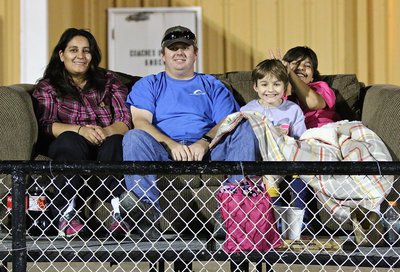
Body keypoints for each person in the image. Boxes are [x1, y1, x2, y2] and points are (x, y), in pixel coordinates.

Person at [121, 25, 260, 240]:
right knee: (133, 137)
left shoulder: (212, 84)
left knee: (244, 127)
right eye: (173, 48)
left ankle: (236, 212)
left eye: (185, 48)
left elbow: (227, 120)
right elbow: (140, 121)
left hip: (209, 148)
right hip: (164, 149)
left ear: (195, 53)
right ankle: (145, 213)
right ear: (163, 55)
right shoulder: (148, 84)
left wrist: (204, 142)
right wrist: (171, 145)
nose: (179, 52)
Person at [32, 28, 133, 239]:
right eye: (73, 50)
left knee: (117, 141)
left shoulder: (109, 81)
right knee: (70, 139)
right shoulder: (48, 86)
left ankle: (119, 214)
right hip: (69, 145)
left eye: (86, 51)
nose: (80, 56)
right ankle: (66, 215)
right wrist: (80, 130)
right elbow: (46, 124)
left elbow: (125, 120)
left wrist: (105, 131)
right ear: (61, 55)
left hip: (104, 142)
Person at [240, 59, 308, 211]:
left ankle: (302, 217)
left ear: (285, 86)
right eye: (264, 84)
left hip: (287, 157)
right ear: (255, 87)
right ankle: (275, 218)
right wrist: (270, 131)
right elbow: (243, 139)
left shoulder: (293, 109)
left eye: (276, 84)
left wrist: (286, 137)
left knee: (302, 168)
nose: (270, 90)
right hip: (264, 160)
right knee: (269, 177)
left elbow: (301, 138)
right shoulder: (248, 110)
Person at [271, 46, 339, 128]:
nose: (301, 68)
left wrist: (290, 73)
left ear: (312, 76)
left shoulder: (321, 87)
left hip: (322, 130)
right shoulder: (278, 91)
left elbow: (314, 103)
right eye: (296, 63)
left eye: (307, 66)